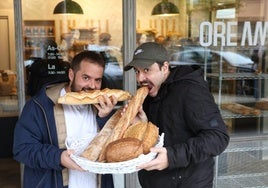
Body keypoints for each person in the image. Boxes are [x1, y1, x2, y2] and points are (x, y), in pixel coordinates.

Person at [124, 42, 230, 188]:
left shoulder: (190, 91)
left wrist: (171, 156)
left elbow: (218, 137)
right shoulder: (149, 92)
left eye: (147, 70)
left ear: (165, 67)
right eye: (137, 71)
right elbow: (164, 134)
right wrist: (142, 124)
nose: (140, 78)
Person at [13, 51, 116, 188]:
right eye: (86, 78)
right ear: (71, 75)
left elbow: (114, 150)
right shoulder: (40, 106)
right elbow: (22, 149)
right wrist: (58, 157)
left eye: (97, 80)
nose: (92, 86)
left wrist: (105, 118)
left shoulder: (103, 108)